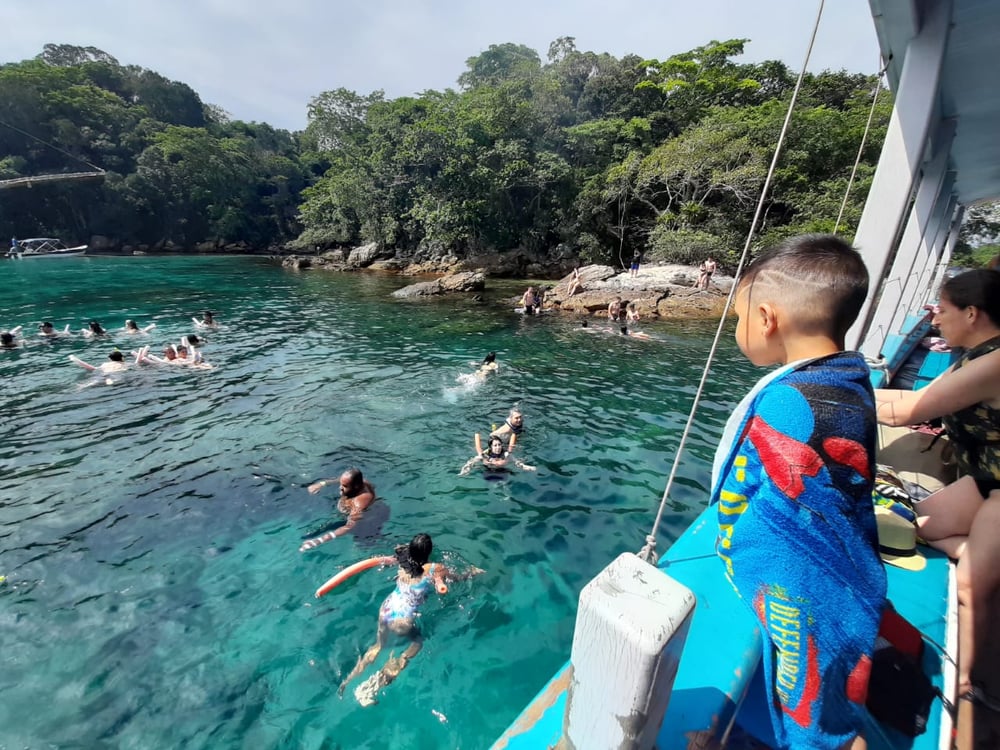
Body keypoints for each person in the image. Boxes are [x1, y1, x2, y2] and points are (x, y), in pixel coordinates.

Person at [711, 235, 885, 749]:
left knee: (817, 727)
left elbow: (791, 542)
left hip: (802, 605)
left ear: (767, 318)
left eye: (738, 318)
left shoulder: (790, 404)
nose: (737, 330)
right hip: (846, 582)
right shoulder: (845, 378)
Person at [873, 268, 1000, 705]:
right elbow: (904, 401)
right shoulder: (975, 354)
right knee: (921, 528)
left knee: (968, 586)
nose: (934, 319)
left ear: (971, 312)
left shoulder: (996, 362)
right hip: (985, 479)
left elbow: (904, 413)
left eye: (942, 310)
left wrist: (820, 393)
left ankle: (966, 686)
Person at [339, 533, 484, 705]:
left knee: (377, 646)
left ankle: (346, 682)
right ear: (429, 552)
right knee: (415, 646)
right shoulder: (435, 568)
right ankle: (371, 687)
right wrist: (472, 573)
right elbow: (456, 578)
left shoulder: (402, 558)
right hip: (402, 620)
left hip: (387, 609)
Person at [300, 468, 377, 551]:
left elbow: (350, 526)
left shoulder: (360, 501)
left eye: (345, 486)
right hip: (349, 511)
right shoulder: (359, 481)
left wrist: (319, 540)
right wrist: (321, 484)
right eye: (341, 484)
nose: (340, 488)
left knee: (360, 547)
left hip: (365, 520)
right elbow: (340, 480)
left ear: (356, 486)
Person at [459, 433, 536, 475]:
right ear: (491, 447)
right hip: (488, 470)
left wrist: (526, 467)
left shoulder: (506, 454)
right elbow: (471, 461)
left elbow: (517, 462)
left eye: (499, 445)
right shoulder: (485, 455)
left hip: (503, 470)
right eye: (495, 445)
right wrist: (465, 469)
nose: (498, 447)